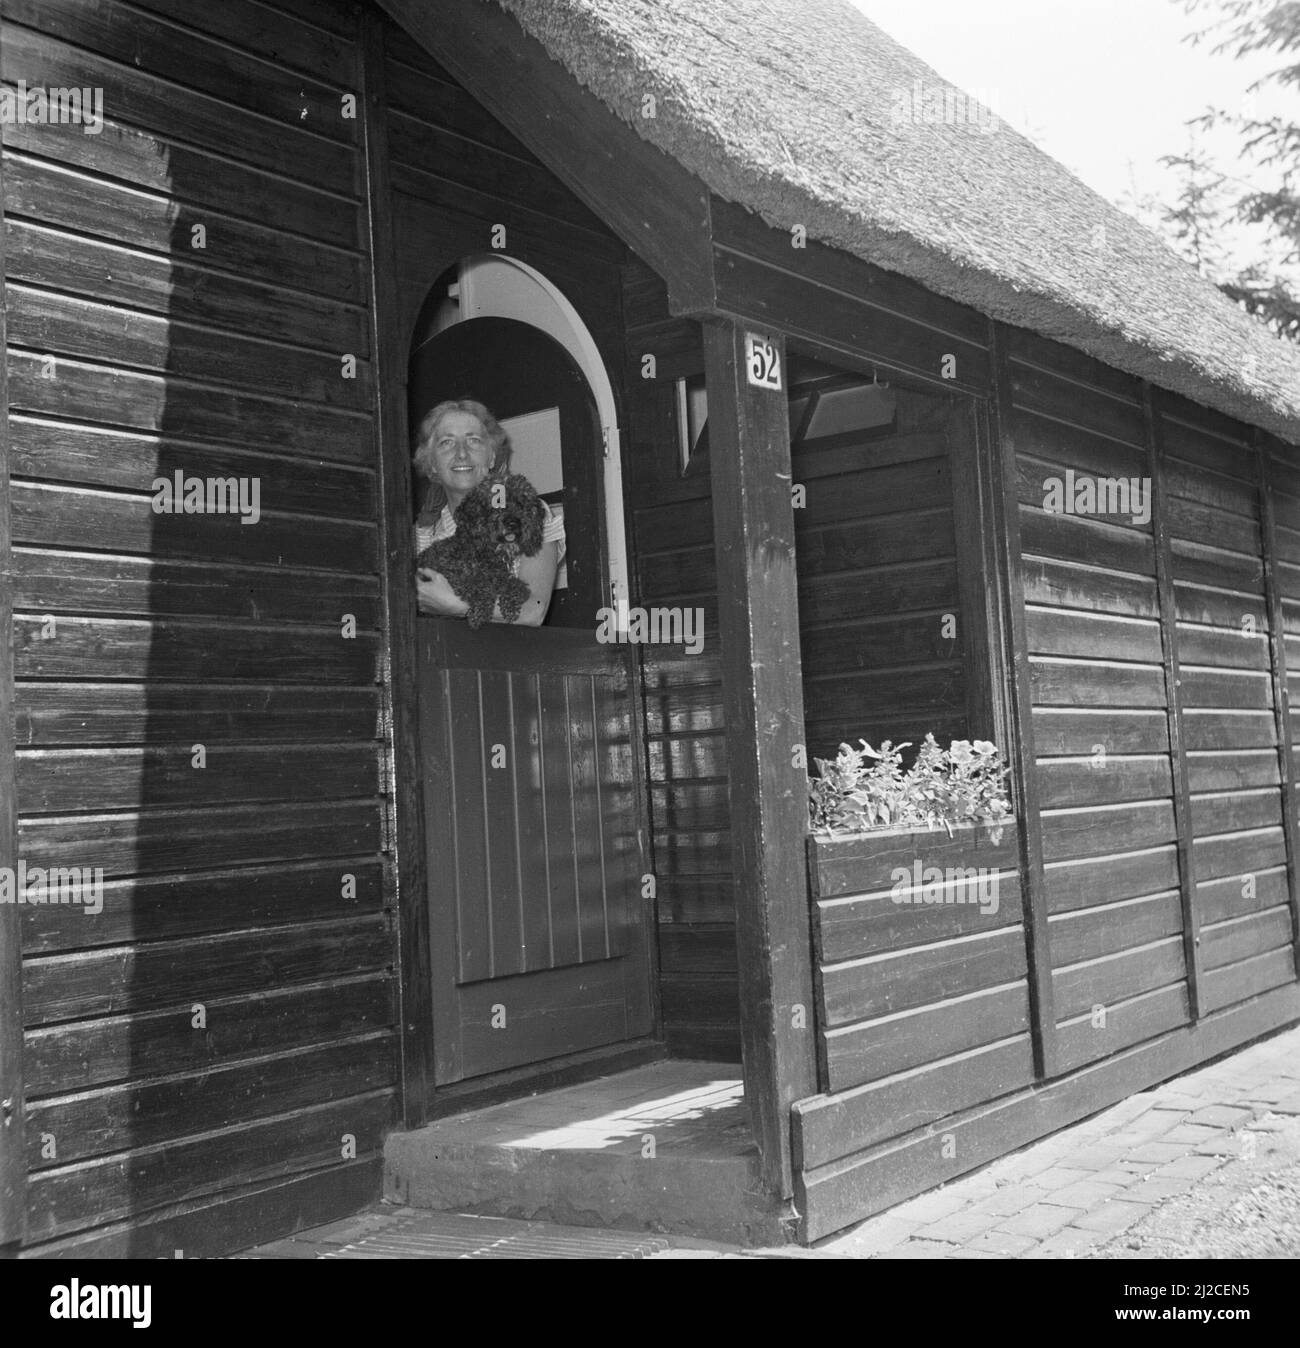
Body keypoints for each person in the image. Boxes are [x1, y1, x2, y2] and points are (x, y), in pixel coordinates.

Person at [412, 399, 564, 626]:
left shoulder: (526, 514)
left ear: (492, 456)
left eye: (473, 440)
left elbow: (534, 612)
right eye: (447, 442)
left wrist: (458, 604)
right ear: (431, 463)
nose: (461, 453)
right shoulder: (418, 536)